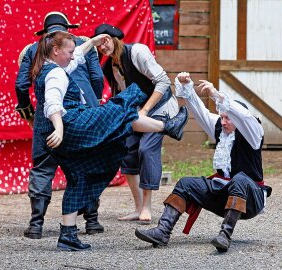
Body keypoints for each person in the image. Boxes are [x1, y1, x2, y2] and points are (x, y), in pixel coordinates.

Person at [29, 30, 188, 251]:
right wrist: (58, 126)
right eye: (69, 51)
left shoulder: (51, 66)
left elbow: (75, 60)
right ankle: (168, 126)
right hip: (72, 124)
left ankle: (67, 235)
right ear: (56, 51)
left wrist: (91, 43)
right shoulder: (55, 74)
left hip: (58, 134)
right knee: (120, 109)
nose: (72, 56)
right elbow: (53, 102)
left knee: (79, 176)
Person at [135, 72, 272, 252]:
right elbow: (201, 112)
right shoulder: (220, 128)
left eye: (227, 118)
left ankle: (225, 235)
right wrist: (187, 87)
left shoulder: (253, 132)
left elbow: (244, 117)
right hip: (225, 195)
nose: (222, 122)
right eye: (221, 117)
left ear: (237, 119)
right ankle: (162, 232)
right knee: (186, 184)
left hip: (251, 199)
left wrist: (216, 95)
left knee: (240, 179)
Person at [15, 11, 106, 239]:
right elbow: (96, 78)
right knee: (85, 166)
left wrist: (29, 113)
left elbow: (20, 85)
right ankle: (92, 221)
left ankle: (36, 225)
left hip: (46, 121)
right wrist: (91, 107)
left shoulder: (35, 52)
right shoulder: (70, 54)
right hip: (74, 119)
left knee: (43, 169)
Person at [93, 24, 184, 223]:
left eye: (105, 41)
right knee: (126, 150)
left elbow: (162, 82)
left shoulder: (137, 52)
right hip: (137, 113)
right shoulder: (109, 66)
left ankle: (147, 207)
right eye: (99, 45)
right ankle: (137, 207)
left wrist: (144, 111)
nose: (103, 47)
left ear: (115, 38)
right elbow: (120, 94)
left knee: (146, 149)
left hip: (160, 107)